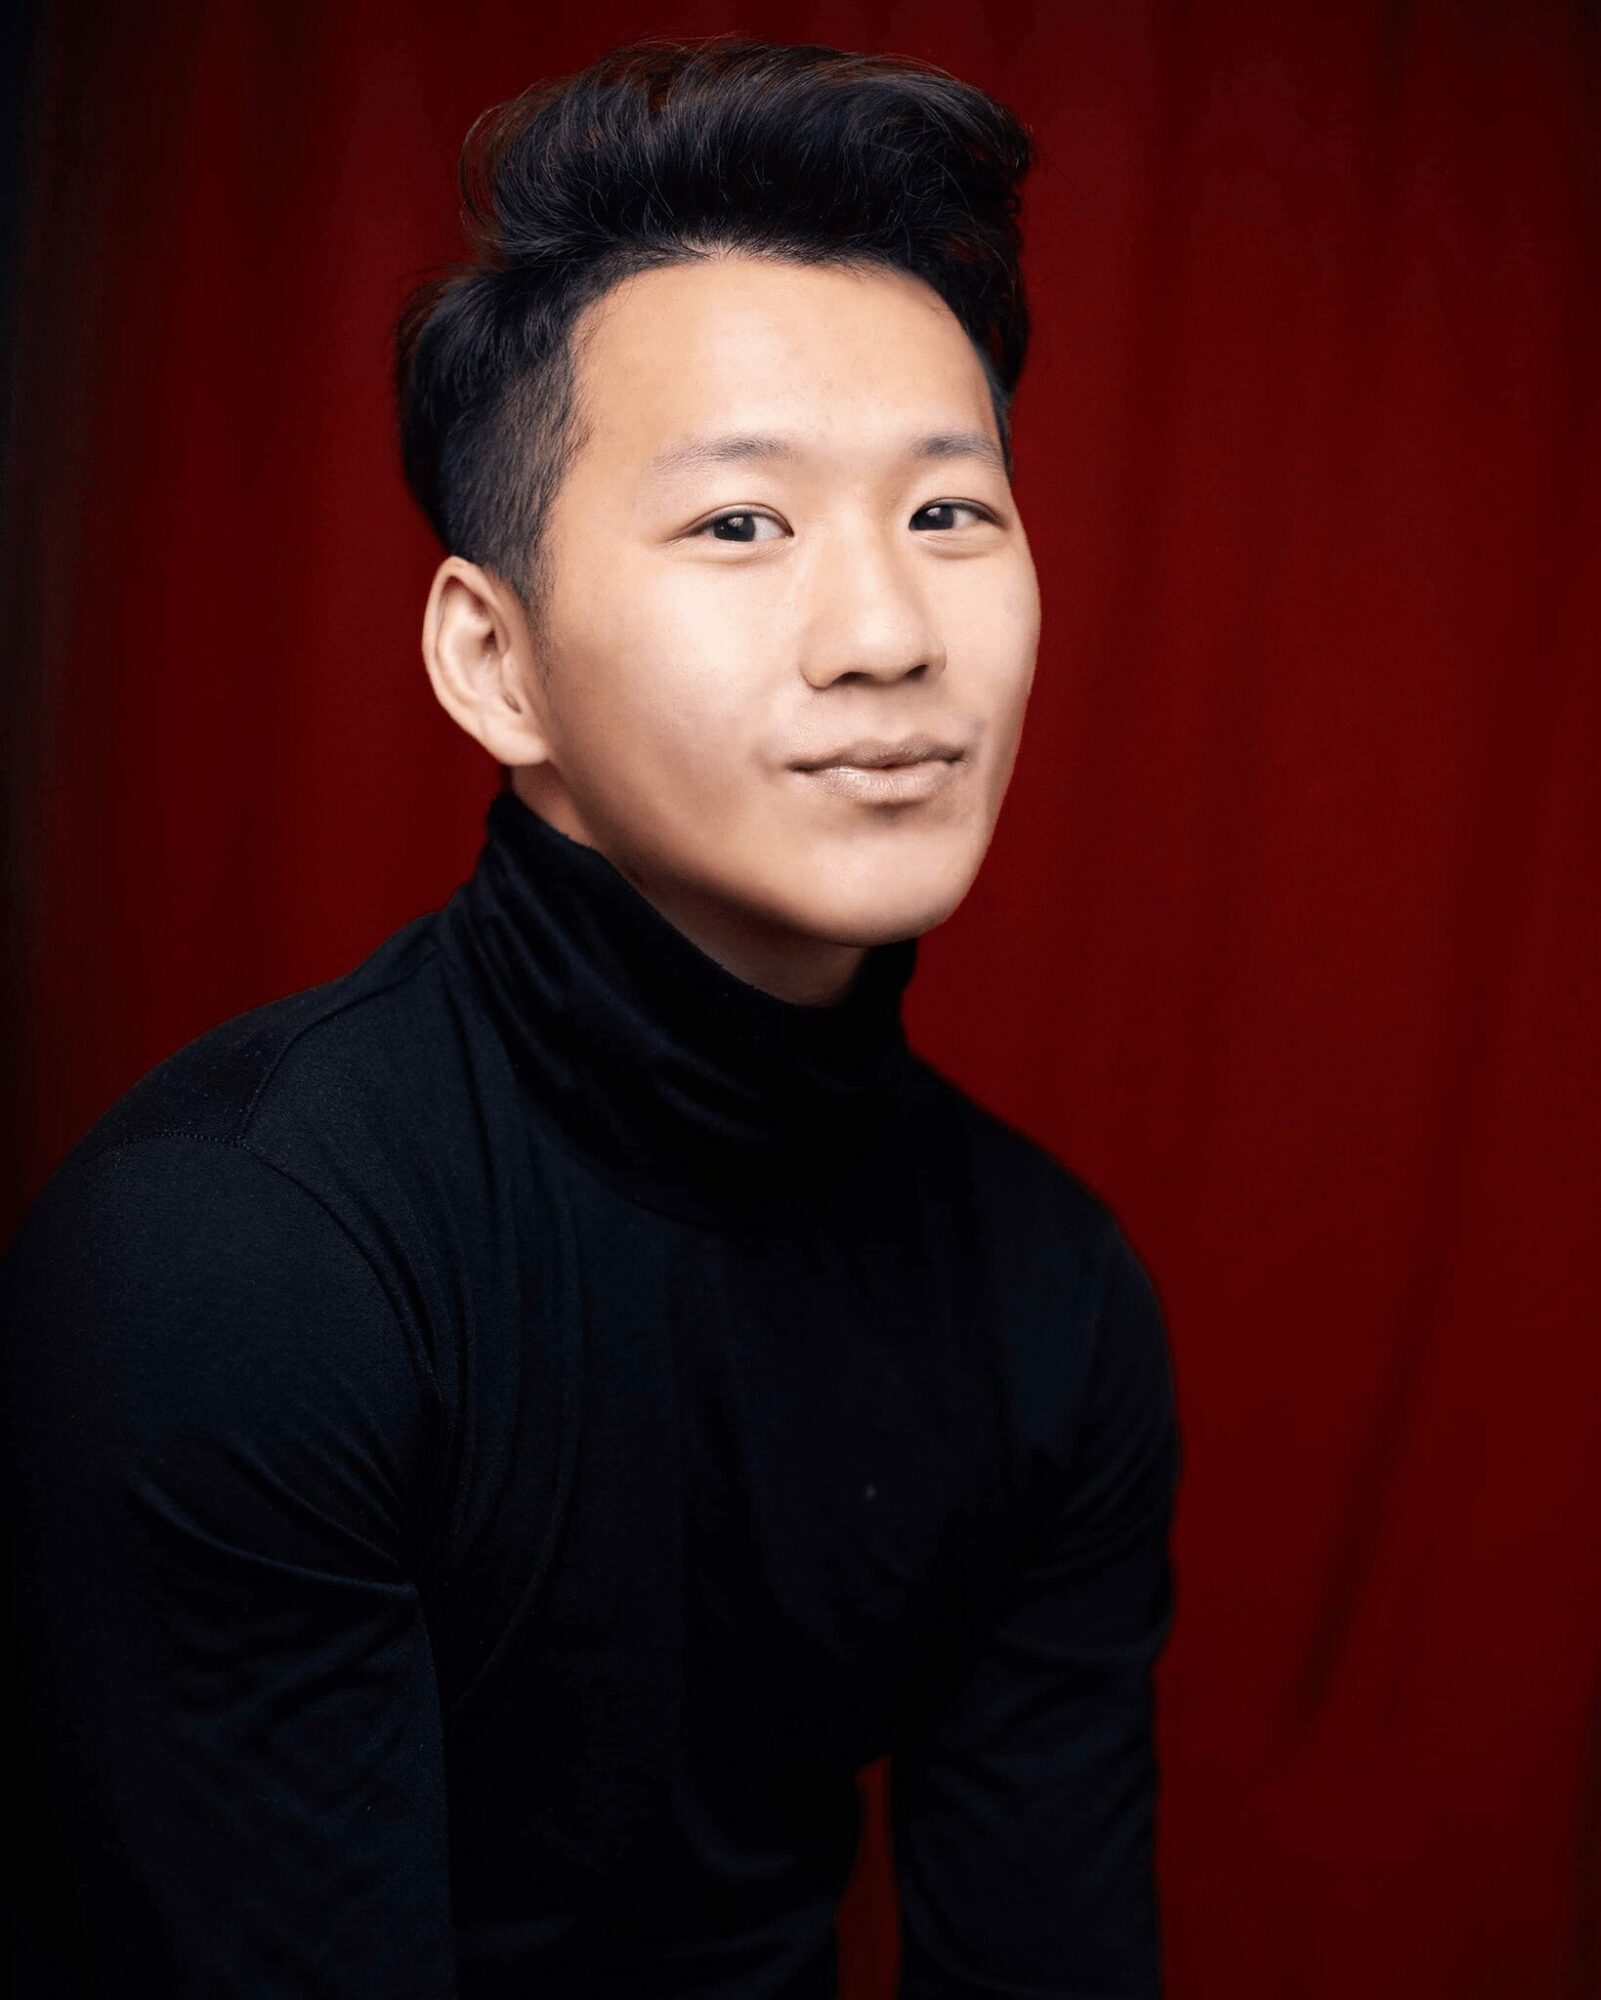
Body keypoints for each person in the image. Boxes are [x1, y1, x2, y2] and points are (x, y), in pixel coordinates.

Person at [1, 34, 1183, 1999]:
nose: (888, 636)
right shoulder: (238, 1252)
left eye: (948, 514)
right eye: (741, 525)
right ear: (496, 660)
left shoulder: (1051, 1292)